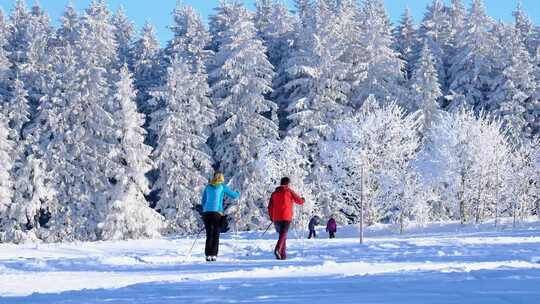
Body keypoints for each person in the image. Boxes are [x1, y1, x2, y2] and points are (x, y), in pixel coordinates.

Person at [201, 171, 240, 262]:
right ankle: (213, 254)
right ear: (221, 178)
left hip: (207, 213)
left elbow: (203, 200)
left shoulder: (208, 187)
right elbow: (234, 196)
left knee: (209, 234)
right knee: (216, 234)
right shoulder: (222, 187)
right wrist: (238, 192)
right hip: (217, 213)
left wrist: (205, 209)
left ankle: (208, 255)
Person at [267, 177, 304, 260]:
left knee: (282, 235)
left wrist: (271, 217)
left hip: (276, 217)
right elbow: (299, 201)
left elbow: (269, 206)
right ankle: (278, 249)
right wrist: (303, 199)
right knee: (283, 234)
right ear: (288, 183)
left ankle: (283, 255)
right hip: (286, 216)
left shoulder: (274, 193)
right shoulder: (289, 191)